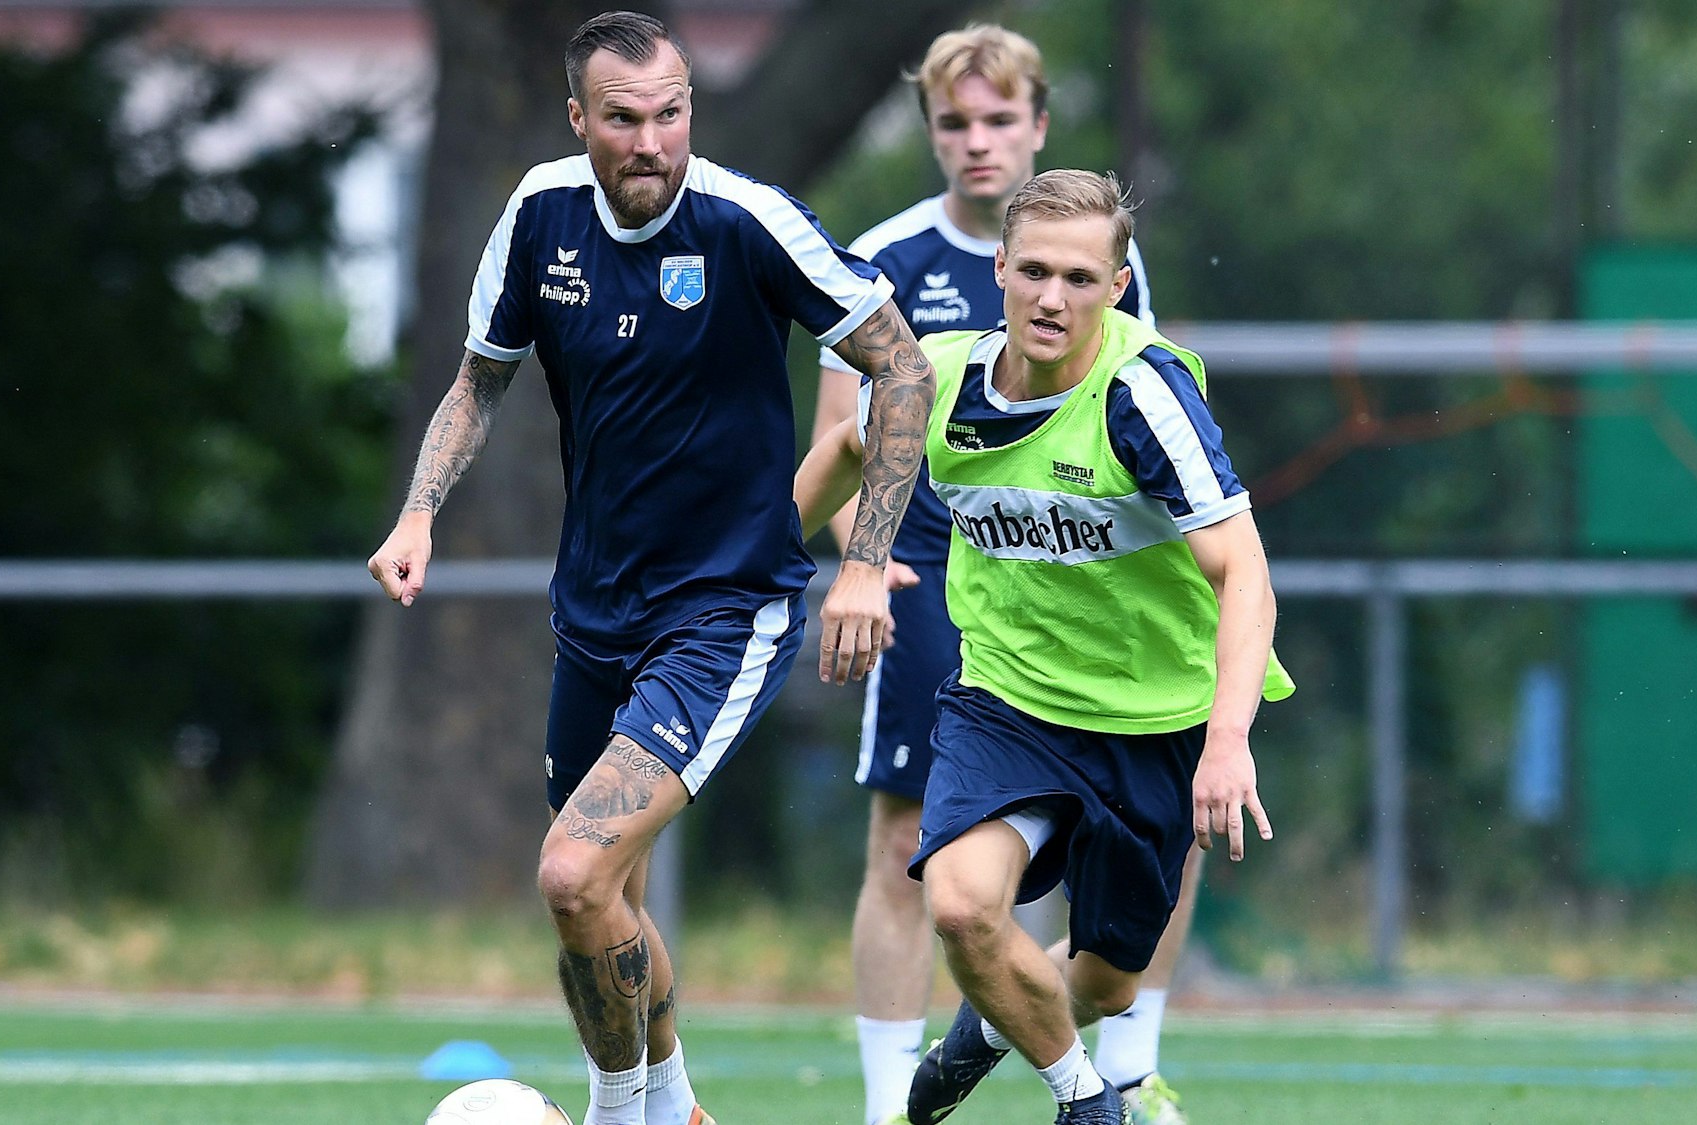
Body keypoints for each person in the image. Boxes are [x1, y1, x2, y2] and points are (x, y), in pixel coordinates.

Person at [366, 12, 933, 1125]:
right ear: (578, 118)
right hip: (594, 614)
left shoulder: (748, 222)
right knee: (599, 898)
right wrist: (418, 514)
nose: (650, 142)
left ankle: (621, 1114)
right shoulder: (539, 215)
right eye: (622, 119)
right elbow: (481, 379)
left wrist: (861, 565)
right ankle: (672, 1109)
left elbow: (901, 370)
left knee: (572, 874)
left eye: (669, 114)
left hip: (724, 609)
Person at [797, 169, 1294, 1125]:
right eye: (1033, 271)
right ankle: (1086, 1101)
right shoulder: (936, 379)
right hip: (1009, 702)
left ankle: (984, 1034)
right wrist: (761, 568)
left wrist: (1228, 740)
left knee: (1102, 985)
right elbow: (845, 450)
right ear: (1000, 270)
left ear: (1115, 286)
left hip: (1155, 716)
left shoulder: (1142, 398)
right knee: (960, 903)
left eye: (1077, 277)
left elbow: (1245, 573)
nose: (1051, 298)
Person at [807, 26, 1189, 1125]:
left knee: (1133, 827)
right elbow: (840, 439)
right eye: (952, 123)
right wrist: (860, 567)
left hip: (1069, 577)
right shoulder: (880, 258)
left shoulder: (1106, 262)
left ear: (1036, 126)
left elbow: (1135, 425)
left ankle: (1120, 1061)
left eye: (996, 120)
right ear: (929, 133)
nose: (975, 144)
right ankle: (894, 1104)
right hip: (927, 569)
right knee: (908, 844)